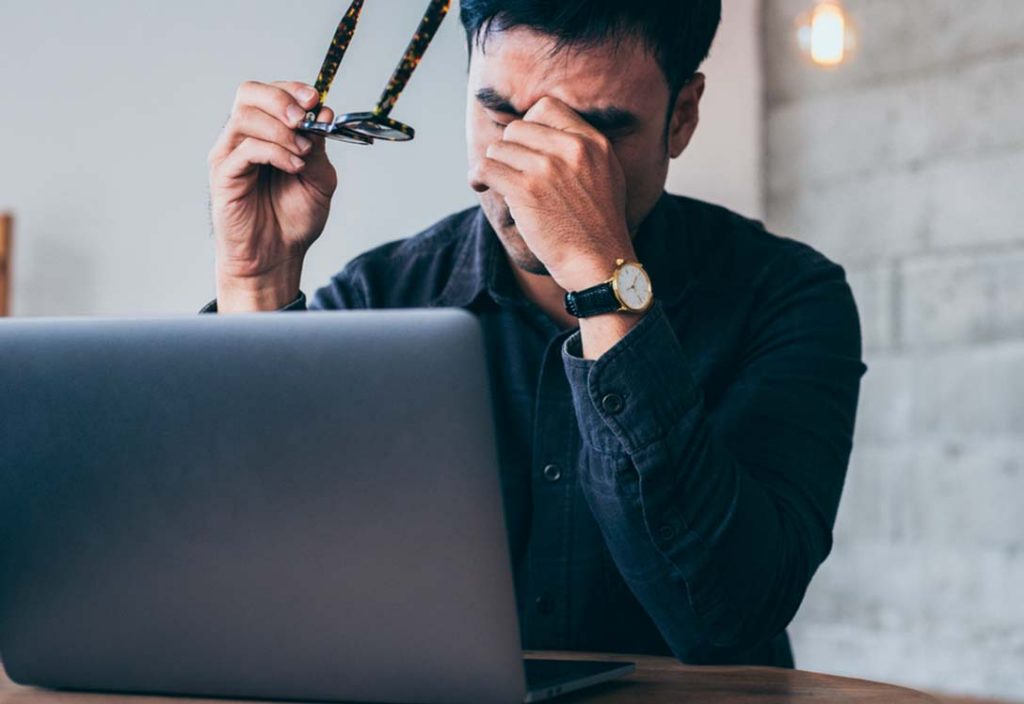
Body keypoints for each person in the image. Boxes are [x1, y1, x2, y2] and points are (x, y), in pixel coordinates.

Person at [204, 0, 866, 667]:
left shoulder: (784, 296)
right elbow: (248, 579)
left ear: (684, 115)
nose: (536, 166)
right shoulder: (381, 299)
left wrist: (602, 279)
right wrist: (256, 280)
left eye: (595, 129)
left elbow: (724, 617)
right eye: (501, 114)